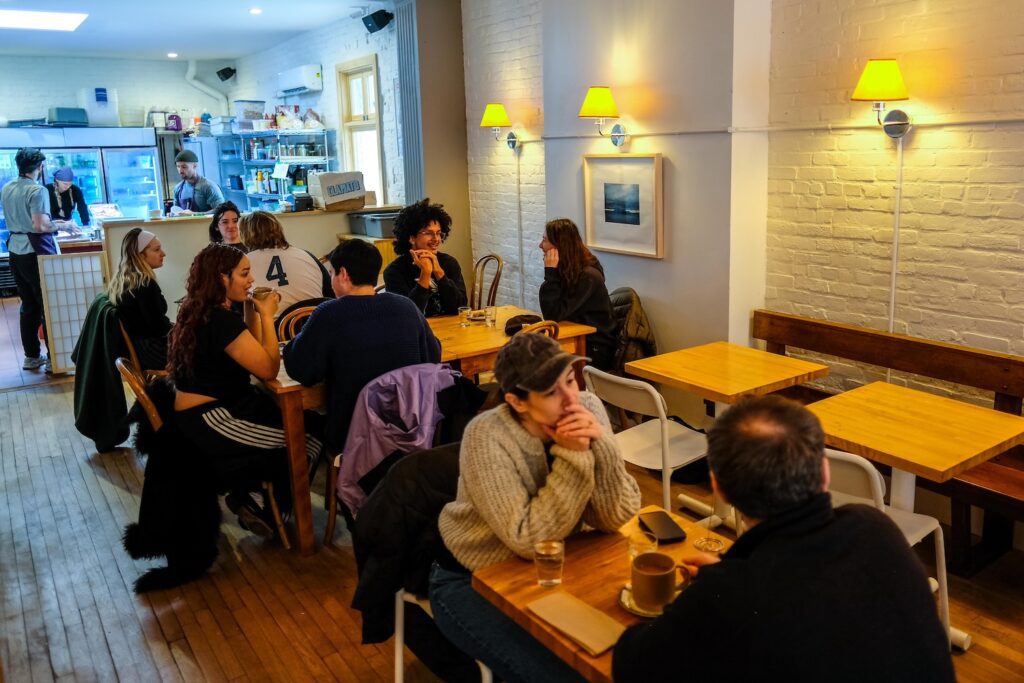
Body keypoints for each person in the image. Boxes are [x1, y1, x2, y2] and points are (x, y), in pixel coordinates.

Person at [612, 395, 956, 683]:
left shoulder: (732, 596)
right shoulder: (876, 528)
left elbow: (632, 664)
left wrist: (713, 590)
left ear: (718, 487)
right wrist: (728, 576)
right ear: (825, 471)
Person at [429, 332, 641, 683]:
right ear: (517, 401)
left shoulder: (588, 407)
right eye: (552, 392)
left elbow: (615, 517)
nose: (571, 398)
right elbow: (527, 540)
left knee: (633, 652)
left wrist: (601, 446)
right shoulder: (486, 436)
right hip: (471, 579)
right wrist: (574, 455)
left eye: (570, 380)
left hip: (559, 566)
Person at [168, 243, 324, 537]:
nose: (251, 279)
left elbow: (250, 347)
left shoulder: (204, 309)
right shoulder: (219, 320)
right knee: (305, 438)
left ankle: (256, 497)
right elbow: (266, 369)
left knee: (312, 423)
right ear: (221, 278)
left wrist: (252, 308)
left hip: (221, 407)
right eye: (244, 274)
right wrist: (268, 316)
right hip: (211, 418)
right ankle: (260, 503)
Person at [284, 238, 441, 454]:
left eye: (332, 273)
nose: (331, 279)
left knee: (310, 423)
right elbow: (433, 357)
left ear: (343, 274)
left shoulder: (329, 313)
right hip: (411, 430)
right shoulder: (406, 306)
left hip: (356, 437)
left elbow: (301, 370)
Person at [1, 148, 57, 371]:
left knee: (28, 305)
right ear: (39, 167)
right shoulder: (37, 190)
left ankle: (31, 356)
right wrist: (61, 225)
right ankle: (53, 359)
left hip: (15, 250)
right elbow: (40, 225)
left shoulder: (7, 187)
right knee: (47, 305)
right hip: (34, 251)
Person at [538, 218, 617, 370]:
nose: (540, 245)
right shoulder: (569, 269)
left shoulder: (588, 276)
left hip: (594, 347)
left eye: (545, 240)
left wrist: (550, 274)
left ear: (560, 245)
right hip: (576, 337)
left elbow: (553, 315)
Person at [382, 198, 468, 317]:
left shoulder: (449, 263)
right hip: (417, 328)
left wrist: (439, 273)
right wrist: (425, 273)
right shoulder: (394, 271)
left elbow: (461, 308)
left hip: (450, 326)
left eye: (438, 233)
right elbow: (407, 315)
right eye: (428, 233)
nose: (436, 239)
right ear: (412, 238)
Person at [240, 210, 332, 311]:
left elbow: (239, 306)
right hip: (316, 316)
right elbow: (330, 293)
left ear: (245, 236)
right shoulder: (307, 255)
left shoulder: (244, 262)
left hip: (274, 320)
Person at [107, 228, 171, 370]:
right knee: (207, 349)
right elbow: (158, 327)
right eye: (157, 250)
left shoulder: (127, 281)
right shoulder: (144, 284)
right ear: (140, 255)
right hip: (153, 351)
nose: (163, 253)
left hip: (140, 349)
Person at [172, 149, 224, 215]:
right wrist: (172, 214)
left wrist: (194, 214)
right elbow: (176, 212)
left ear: (195, 166)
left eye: (184, 167)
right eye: (178, 166)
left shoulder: (208, 186)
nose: (180, 171)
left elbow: (221, 210)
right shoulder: (178, 189)